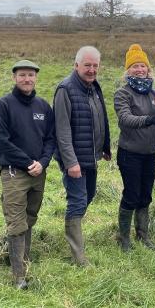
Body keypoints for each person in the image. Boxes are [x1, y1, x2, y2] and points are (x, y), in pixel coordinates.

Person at [0, 60, 55, 289]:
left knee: (30, 217)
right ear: (14, 78)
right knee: (16, 222)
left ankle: (23, 260)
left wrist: (44, 162)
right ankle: (19, 276)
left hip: (39, 173)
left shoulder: (43, 106)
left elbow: (50, 139)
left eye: (30, 75)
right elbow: (2, 141)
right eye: (22, 75)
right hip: (13, 173)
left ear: (36, 78)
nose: (27, 79)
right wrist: (28, 162)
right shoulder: (3, 105)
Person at [54, 46, 111, 266]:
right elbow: (62, 130)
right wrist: (70, 162)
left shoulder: (94, 87)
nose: (91, 69)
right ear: (76, 65)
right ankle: (78, 256)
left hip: (91, 156)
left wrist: (104, 147)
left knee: (90, 195)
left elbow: (101, 118)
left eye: (95, 65)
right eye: (87, 65)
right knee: (78, 202)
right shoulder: (65, 89)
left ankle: (72, 231)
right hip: (75, 160)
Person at [114, 44, 155, 252]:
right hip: (129, 153)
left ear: (149, 70)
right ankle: (124, 238)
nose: (139, 70)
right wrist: (149, 119)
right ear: (127, 70)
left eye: (143, 66)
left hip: (150, 154)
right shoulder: (123, 94)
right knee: (131, 194)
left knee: (145, 195)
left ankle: (143, 235)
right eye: (135, 66)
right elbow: (125, 119)